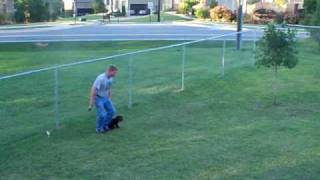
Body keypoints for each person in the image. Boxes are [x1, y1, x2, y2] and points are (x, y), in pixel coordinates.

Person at [88, 65, 118, 133]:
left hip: (105, 98)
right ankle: (98, 129)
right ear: (110, 71)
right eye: (115, 73)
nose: (115, 74)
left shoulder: (110, 78)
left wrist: (109, 98)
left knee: (112, 111)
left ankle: (105, 125)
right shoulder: (100, 78)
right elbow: (93, 89)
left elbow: (109, 88)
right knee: (102, 114)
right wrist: (91, 104)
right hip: (98, 98)